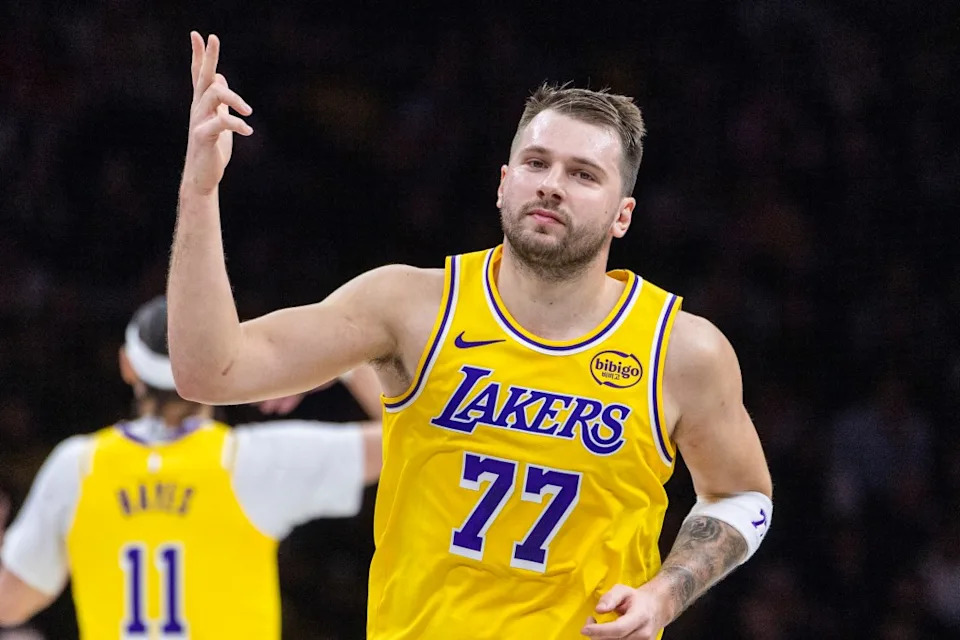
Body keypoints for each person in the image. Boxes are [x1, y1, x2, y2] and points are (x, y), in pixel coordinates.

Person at [168, 32, 774, 640]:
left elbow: (743, 497)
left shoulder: (681, 351)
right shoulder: (409, 308)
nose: (552, 184)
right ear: (504, 182)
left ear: (623, 214)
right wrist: (198, 192)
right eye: (537, 164)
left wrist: (665, 596)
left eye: (584, 174)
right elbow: (210, 371)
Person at [0, 296, 382, 638]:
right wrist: (343, 363)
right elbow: (402, 441)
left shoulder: (75, 467)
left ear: (128, 366)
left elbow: (9, 604)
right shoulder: (252, 461)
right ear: (221, 362)